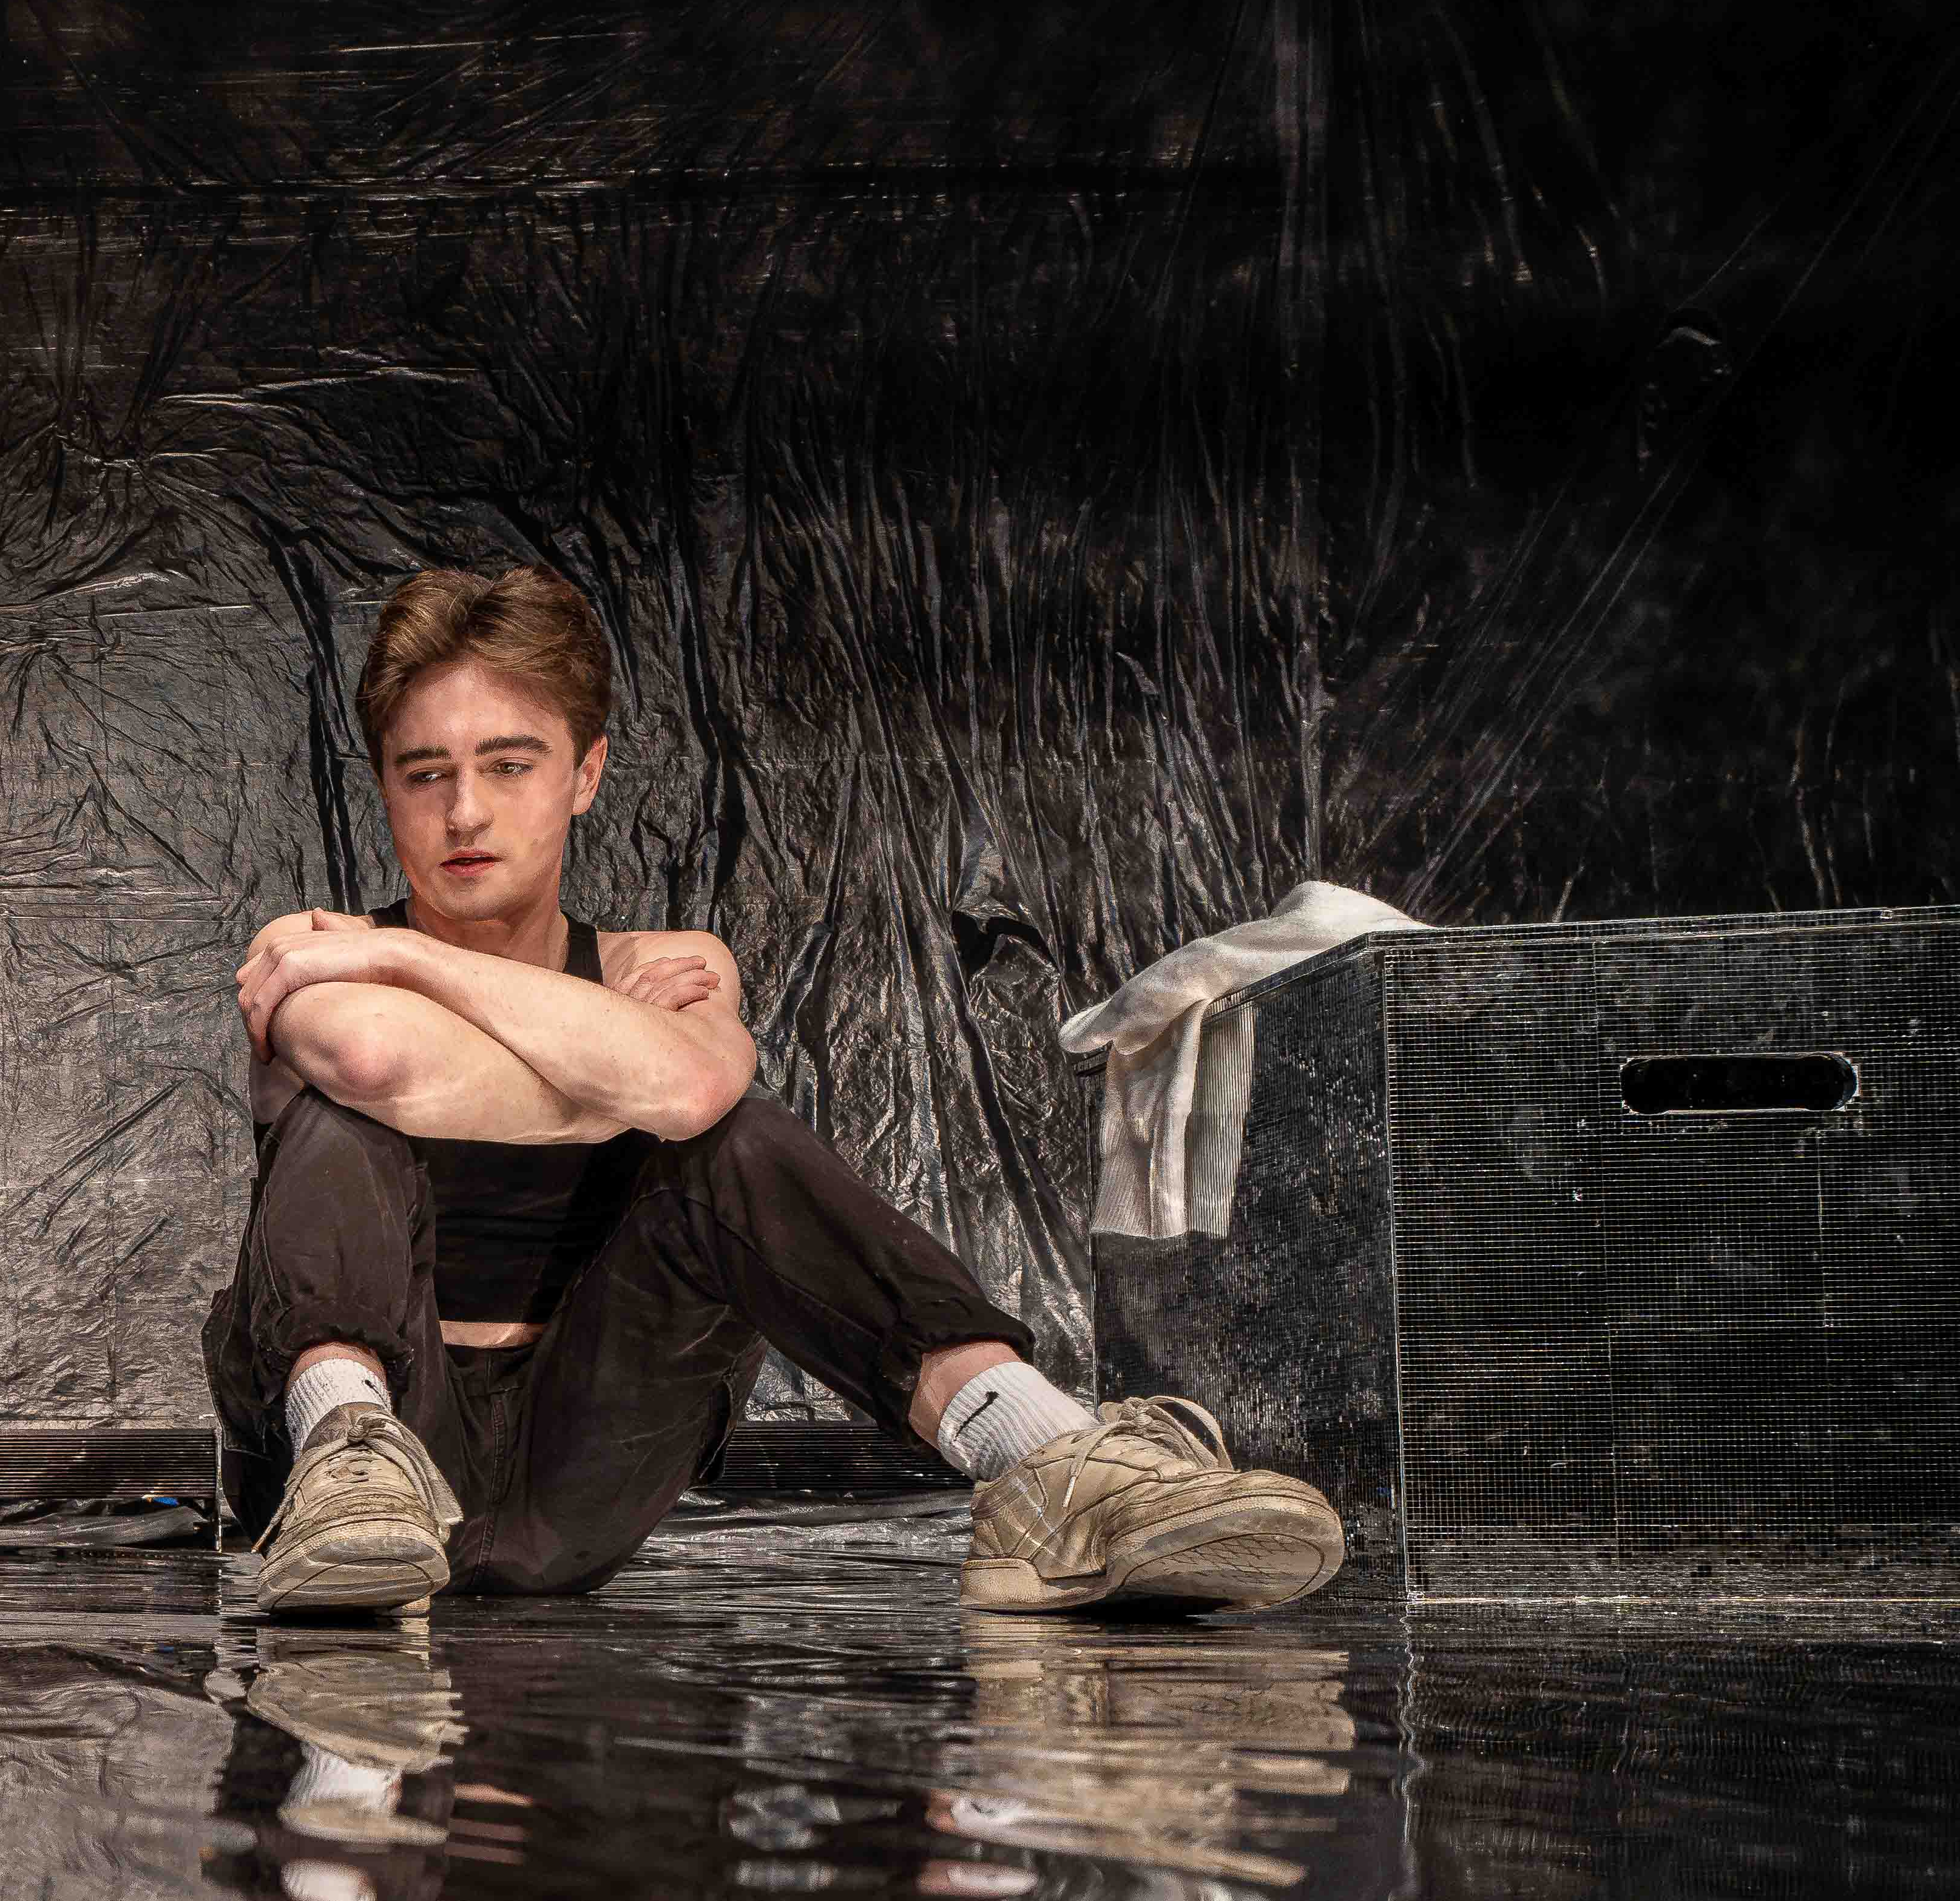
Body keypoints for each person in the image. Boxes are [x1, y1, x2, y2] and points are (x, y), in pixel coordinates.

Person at [209, 564, 1346, 1616]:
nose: (465, 813)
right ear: (386, 788)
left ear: (585, 774)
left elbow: (699, 1094)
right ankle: (348, 1447)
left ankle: (1051, 1464)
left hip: (581, 1461)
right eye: (427, 774)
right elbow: (379, 1061)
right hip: (357, 1467)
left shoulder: (646, 956)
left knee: (730, 1142)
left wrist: (413, 963)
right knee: (339, 1111)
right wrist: (621, 1069)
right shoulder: (310, 952)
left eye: (509, 766)